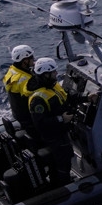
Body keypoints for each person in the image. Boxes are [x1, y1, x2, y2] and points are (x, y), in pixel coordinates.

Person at [26, 57, 75, 186]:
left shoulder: (52, 87)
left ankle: (60, 181)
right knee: (63, 162)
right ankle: (64, 186)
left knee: (64, 159)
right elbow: (40, 123)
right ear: (45, 75)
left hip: (61, 132)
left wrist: (87, 97)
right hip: (54, 137)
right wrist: (61, 119)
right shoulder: (38, 99)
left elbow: (67, 98)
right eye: (53, 73)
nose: (56, 74)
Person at [2, 44, 36, 128]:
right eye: (31, 57)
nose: (33, 59)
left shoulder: (12, 70)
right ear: (24, 61)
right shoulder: (25, 80)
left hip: (18, 114)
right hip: (29, 119)